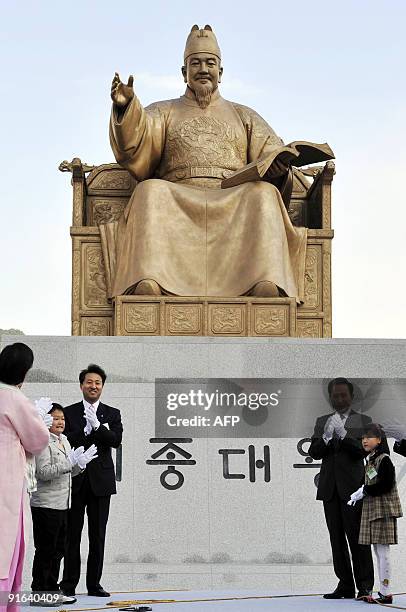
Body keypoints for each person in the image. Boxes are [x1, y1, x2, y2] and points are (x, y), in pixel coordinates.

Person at [105, 24, 311, 301]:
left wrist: (277, 169)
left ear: (221, 72)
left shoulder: (244, 115)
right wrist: (126, 107)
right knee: (149, 190)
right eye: (196, 63)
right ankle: (149, 279)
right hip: (177, 194)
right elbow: (136, 143)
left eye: (210, 63)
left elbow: (271, 151)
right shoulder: (163, 111)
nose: (203, 69)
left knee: (264, 194)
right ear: (184, 72)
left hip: (232, 196)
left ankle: (264, 280)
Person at [308, 377, 374, 601]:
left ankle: (364, 586)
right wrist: (327, 435)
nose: (339, 399)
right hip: (329, 489)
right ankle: (345, 585)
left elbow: (361, 451)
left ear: (351, 396)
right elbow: (314, 451)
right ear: (330, 398)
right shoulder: (322, 420)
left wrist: (343, 434)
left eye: (343, 395)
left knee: (357, 538)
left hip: (353, 490)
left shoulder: (363, 420)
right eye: (335, 395)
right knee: (336, 539)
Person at [60, 364, 123, 597]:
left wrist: (97, 426)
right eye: (89, 382)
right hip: (75, 480)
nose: (93, 386)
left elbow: (115, 440)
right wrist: (84, 432)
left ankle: (94, 585)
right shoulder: (69, 412)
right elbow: (64, 441)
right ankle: (68, 585)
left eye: (97, 382)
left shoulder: (112, 413)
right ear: (81, 385)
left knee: (97, 535)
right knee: (71, 536)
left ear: (102, 386)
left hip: (101, 482)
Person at [30, 403, 98, 605]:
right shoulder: (43, 442)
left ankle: (52, 590)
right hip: (46, 504)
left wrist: (80, 465)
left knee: (59, 551)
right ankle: (40, 592)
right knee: (46, 550)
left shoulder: (64, 441)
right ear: (47, 421)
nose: (60, 422)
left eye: (62, 419)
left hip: (63, 504)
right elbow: (42, 473)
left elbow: (68, 472)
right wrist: (69, 463)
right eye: (55, 418)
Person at [0, 343, 49, 612]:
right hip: (6, 482)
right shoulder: (15, 398)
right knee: (7, 549)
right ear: (24, 372)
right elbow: (38, 439)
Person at [348, 423, 403, 604]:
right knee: (378, 552)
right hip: (374, 509)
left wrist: (364, 491)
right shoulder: (371, 459)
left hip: (383, 509)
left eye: (369, 437)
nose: (364, 440)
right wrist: (363, 491)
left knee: (383, 551)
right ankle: (382, 590)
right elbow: (373, 483)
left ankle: (386, 592)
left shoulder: (384, 459)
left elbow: (386, 485)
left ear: (379, 440)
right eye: (363, 437)